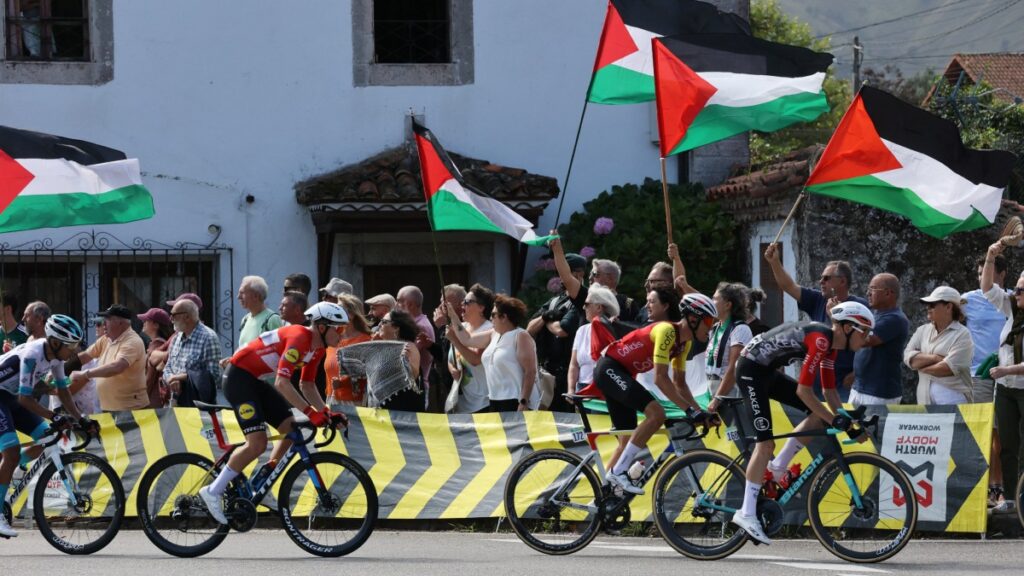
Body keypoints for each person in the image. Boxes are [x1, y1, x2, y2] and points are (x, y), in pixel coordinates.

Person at [729, 302, 875, 545]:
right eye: (865, 332)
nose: (868, 339)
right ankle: (746, 513)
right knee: (764, 445)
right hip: (750, 371)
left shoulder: (831, 347)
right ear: (848, 328)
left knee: (818, 415)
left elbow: (829, 394)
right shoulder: (820, 340)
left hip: (765, 370)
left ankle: (777, 469)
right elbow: (804, 392)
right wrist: (841, 424)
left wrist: (849, 421)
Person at [200, 302, 349, 525]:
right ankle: (213, 490)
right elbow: (282, 382)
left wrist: (326, 412)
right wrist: (310, 412)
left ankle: (263, 479)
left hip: (255, 379)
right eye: (338, 329)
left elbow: (307, 384)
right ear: (321, 327)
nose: (341, 334)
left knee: (290, 429)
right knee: (257, 443)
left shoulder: (318, 349)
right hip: (238, 378)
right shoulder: (300, 338)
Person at [593, 293, 716, 495]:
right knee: (657, 413)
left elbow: (679, 383)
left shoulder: (684, 344)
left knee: (626, 439)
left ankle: (605, 499)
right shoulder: (667, 331)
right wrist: (688, 410)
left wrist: (699, 411)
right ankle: (619, 472)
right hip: (610, 369)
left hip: (623, 373)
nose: (710, 327)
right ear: (693, 320)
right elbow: (660, 378)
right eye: (709, 321)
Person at [0, 315, 93, 538]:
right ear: (54, 342)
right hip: (5, 397)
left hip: (10, 395)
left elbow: (63, 391)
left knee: (47, 436)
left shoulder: (57, 359)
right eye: (70, 346)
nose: (73, 351)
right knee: (11, 451)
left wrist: (81, 419)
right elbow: (25, 399)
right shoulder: (33, 354)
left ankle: (7, 468)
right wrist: (54, 415)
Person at [764, 244, 867, 400]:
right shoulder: (818, 299)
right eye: (821, 278)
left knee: (839, 420)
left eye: (826, 278)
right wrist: (774, 262)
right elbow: (788, 286)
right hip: (816, 380)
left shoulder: (859, 307)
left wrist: (856, 373)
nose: (821, 282)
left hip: (844, 382)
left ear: (842, 281)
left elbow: (871, 343)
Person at [982, 241, 1024, 512]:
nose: (1016, 292)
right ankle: (1010, 499)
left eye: (1021, 290)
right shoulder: (1014, 310)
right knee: (1007, 446)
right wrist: (990, 255)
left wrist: (1007, 369)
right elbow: (987, 288)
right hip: (1006, 389)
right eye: (1017, 287)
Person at [530, 238, 587, 412]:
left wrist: (546, 320)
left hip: (568, 374)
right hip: (549, 373)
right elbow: (530, 328)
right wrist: (547, 317)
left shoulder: (582, 301)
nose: (563, 278)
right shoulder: (554, 301)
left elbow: (561, 330)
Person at [904, 286, 974, 405]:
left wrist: (921, 367)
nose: (928, 308)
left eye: (932, 305)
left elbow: (946, 369)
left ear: (948, 307)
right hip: (925, 402)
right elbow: (908, 358)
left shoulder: (963, 334)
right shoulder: (922, 330)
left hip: (954, 401)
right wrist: (936, 358)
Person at [72, 304, 148, 412]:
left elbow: (117, 367)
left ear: (120, 323)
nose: (103, 324)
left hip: (130, 409)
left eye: (107, 320)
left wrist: (85, 374)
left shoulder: (132, 341)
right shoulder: (106, 339)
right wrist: (59, 369)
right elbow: (84, 357)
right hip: (109, 408)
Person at [851, 273, 909, 405]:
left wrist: (839, 319)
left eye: (872, 289)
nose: (868, 293)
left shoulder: (895, 319)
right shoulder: (874, 315)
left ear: (888, 293)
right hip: (860, 388)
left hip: (878, 393)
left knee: (871, 426)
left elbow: (864, 341)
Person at [481, 296, 540, 412]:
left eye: (493, 315)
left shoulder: (521, 335)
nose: (490, 318)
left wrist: (523, 402)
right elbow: (467, 339)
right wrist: (452, 315)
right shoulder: (495, 335)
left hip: (516, 401)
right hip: (495, 400)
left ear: (504, 317)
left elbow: (530, 371)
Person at [445, 284, 495, 414]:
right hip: (463, 403)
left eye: (467, 302)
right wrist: (452, 369)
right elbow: (451, 357)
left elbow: (475, 359)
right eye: (463, 302)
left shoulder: (489, 329)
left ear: (481, 307)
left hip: (484, 402)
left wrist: (455, 340)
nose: (462, 305)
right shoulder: (462, 327)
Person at [162, 299, 223, 407]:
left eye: (174, 314)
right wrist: (171, 379)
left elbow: (215, 375)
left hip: (199, 406)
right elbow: (168, 367)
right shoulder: (177, 338)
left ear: (187, 317)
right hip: (176, 403)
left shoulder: (208, 337)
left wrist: (181, 378)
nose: (170, 318)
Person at [705, 283, 753, 412]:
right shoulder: (715, 328)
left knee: (734, 432)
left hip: (730, 395)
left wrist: (718, 398)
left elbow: (733, 368)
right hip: (712, 390)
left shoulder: (740, 329)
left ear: (728, 305)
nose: (711, 301)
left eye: (715, 299)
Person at [569, 285, 619, 394]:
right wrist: (571, 389)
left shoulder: (615, 330)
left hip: (605, 389)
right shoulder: (581, 331)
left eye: (586, 304)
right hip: (581, 389)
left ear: (599, 307)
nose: (583, 307)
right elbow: (574, 364)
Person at [324, 295, 373, 406]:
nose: (335, 312)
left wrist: (343, 383)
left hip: (353, 402)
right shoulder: (333, 337)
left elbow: (366, 373)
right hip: (330, 399)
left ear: (352, 314)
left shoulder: (365, 340)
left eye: (340, 309)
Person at [376, 309, 425, 411]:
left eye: (384, 322)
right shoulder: (384, 347)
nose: (379, 324)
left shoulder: (409, 347)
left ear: (396, 328)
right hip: (385, 409)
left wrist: (405, 360)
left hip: (404, 411)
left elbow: (413, 376)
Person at [396, 286, 434, 408]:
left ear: (410, 305)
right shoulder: (413, 324)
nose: (396, 305)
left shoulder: (420, 327)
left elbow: (405, 357)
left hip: (416, 389)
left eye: (399, 301)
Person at [139, 308, 174, 408]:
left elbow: (149, 377)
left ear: (156, 325)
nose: (143, 322)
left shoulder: (157, 343)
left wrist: (141, 399)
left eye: (146, 320)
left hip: (153, 401)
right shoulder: (162, 342)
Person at [237, 276, 283, 348]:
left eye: (242, 293)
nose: (238, 297)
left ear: (256, 296)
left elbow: (279, 350)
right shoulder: (245, 320)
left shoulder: (272, 320)